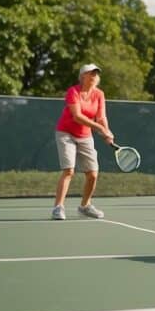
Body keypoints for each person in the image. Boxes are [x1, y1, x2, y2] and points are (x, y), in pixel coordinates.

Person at [51, 64, 114, 220]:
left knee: (93, 174)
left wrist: (107, 131)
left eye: (96, 74)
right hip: (65, 133)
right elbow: (77, 116)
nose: (94, 77)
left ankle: (85, 206)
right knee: (69, 171)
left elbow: (101, 117)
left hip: (85, 135)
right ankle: (58, 208)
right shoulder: (73, 92)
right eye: (91, 74)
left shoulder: (99, 94)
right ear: (82, 76)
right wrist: (100, 128)